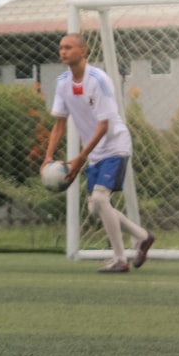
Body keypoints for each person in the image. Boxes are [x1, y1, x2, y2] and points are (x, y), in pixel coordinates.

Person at [41, 33, 156, 273]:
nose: (63, 51)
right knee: (94, 207)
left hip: (115, 144)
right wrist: (48, 157)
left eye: (69, 47)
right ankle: (142, 236)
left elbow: (104, 126)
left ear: (83, 51)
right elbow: (60, 123)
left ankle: (120, 259)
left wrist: (79, 160)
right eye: (61, 47)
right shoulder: (62, 82)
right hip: (94, 152)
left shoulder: (99, 80)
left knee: (101, 200)